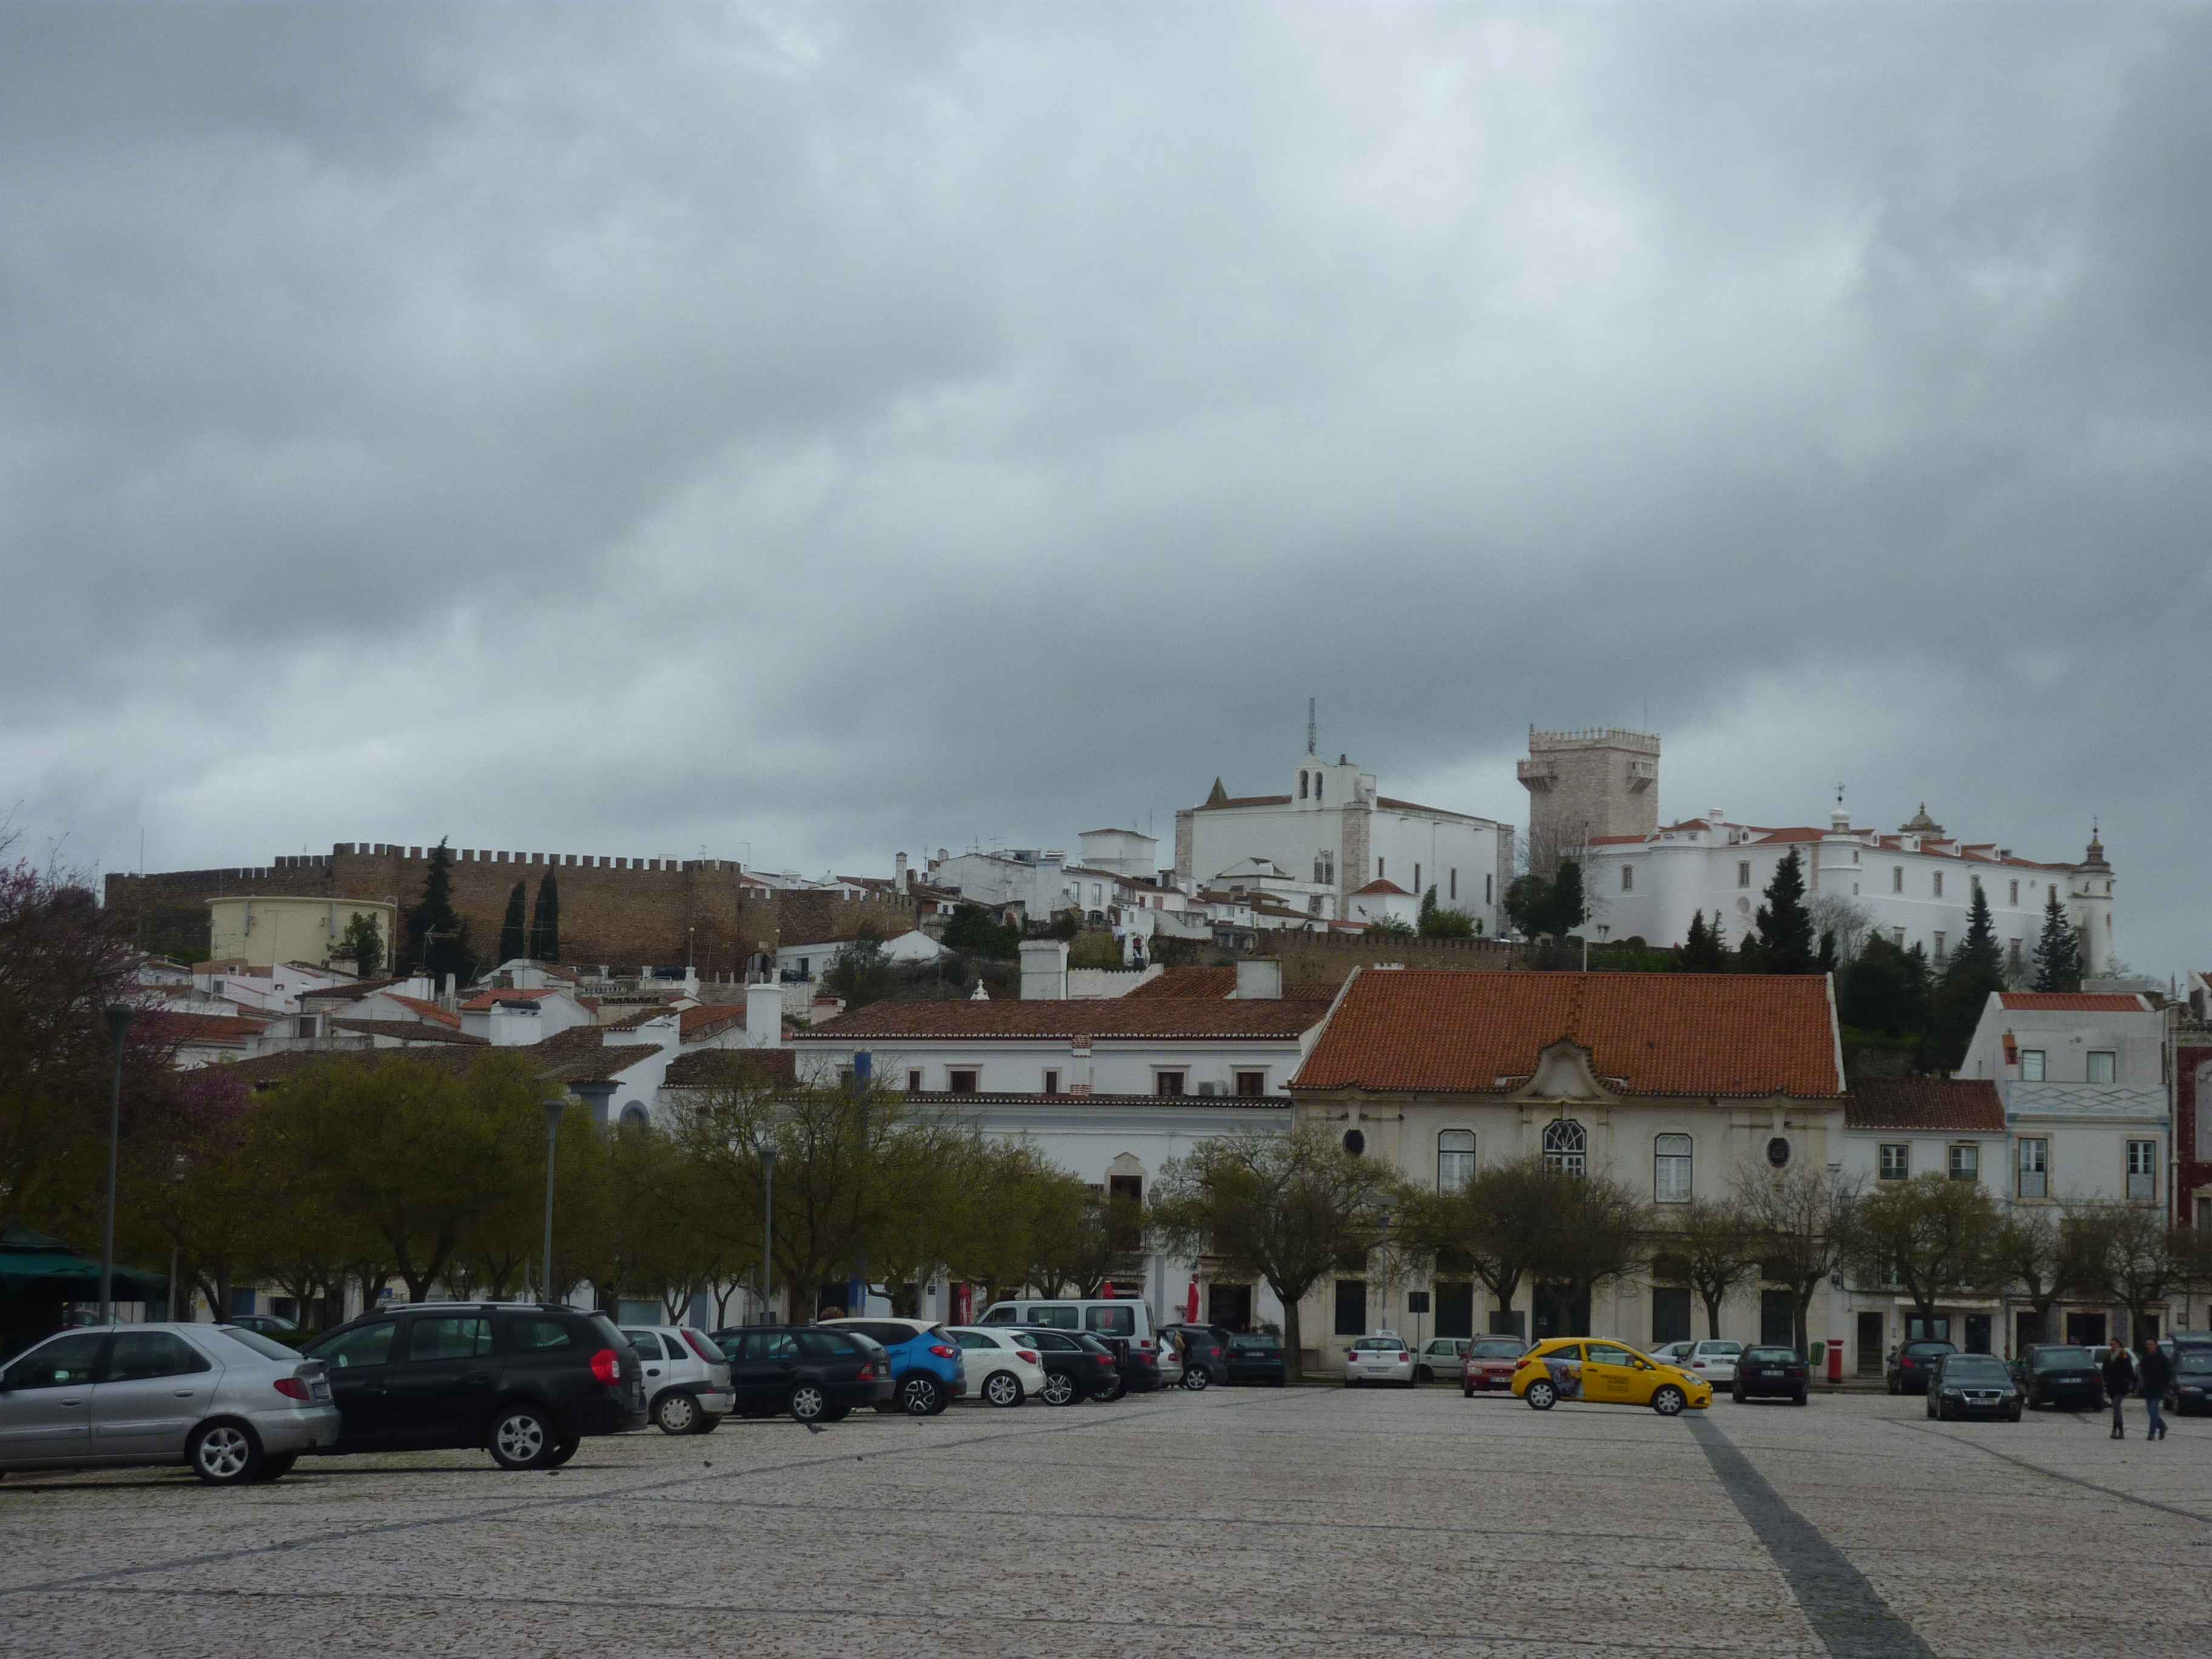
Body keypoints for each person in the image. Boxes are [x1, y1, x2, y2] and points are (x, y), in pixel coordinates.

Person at [2139, 1338, 2172, 1441]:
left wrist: (2165, 1386)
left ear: (2156, 1345)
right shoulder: (2145, 1358)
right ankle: (2163, 1427)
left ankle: (2151, 1433)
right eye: (2148, 1344)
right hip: (2149, 1388)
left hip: (2159, 1388)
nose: (2149, 1346)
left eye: (2151, 1344)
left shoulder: (2162, 1358)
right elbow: (2142, 1371)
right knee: (2150, 1411)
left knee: (2153, 1411)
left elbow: (2168, 1373)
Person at [2102, 1338, 2135, 1438]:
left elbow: (2130, 1371)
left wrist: (2129, 1382)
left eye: (2114, 1344)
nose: (2112, 1346)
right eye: (2111, 1344)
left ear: (2119, 1345)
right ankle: (2115, 1429)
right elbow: (2104, 1371)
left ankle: (2119, 1430)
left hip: (2121, 1386)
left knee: (2116, 1406)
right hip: (2112, 1386)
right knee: (2116, 1408)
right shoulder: (2108, 1356)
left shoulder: (2124, 1355)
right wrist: (2106, 1381)